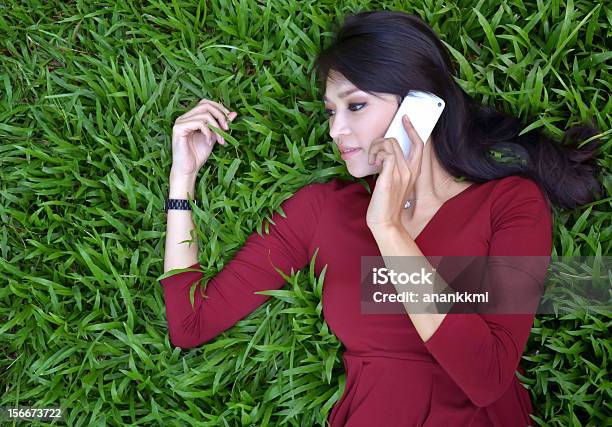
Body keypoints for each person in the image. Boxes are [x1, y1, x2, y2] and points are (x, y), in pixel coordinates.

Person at [159, 10, 603, 427]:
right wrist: (183, 180)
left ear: (421, 104)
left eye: (354, 106)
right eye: (331, 112)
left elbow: (486, 376)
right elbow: (191, 322)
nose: (335, 130)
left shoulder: (508, 204)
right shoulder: (322, 210)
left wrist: (389, 230)